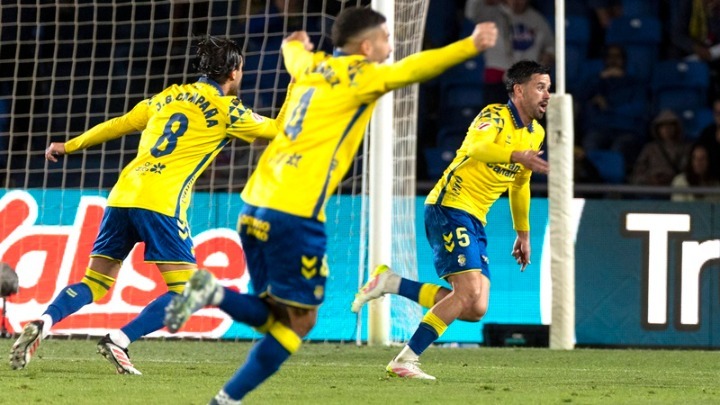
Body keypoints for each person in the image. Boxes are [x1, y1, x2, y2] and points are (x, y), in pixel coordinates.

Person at [163, 6, 498, 404]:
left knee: (275, 316)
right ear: (366, 46)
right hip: (295, 211)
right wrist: (470, 45)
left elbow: (292, 52)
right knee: (301, 321)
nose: (391, 48)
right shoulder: (363, 76)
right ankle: (212, 299)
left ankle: (223, 387)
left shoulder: (310, 66)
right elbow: (416, 68)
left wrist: (293, 43)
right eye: (386, 40)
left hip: (254, 202)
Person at [9, 36, 284, 375]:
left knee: (95, 282)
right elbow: (280, 130)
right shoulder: (228, 110)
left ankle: (45, 320)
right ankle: (119, 340)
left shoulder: (166, 97)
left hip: (123, 195)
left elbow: (118, 125)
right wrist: (298, 84)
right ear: (233, 72)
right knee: (187, 290)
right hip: (161, 202)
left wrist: (69, 146)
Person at [351, 60, 550, 379]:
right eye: (540, 87)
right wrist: (515, 155)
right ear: (519, 90)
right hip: (450, 205)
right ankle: (405, 359)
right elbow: (477, 147)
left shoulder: (535, 133)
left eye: (548, 88)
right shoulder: (494, 116)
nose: (547, 94)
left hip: (476, 217)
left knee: (475, 308)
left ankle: (390, 282)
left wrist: (522, 234)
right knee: (467, 292)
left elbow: (520, 184)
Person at [630, 110, 689, 191]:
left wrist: (672, 178)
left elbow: (689, 172)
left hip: (676, 188)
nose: (667, 129)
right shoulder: (649, 149)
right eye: (663, 126)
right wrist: (650, 179)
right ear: (658, 129)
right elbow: (638, 172)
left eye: (670, 126)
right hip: (651, 189)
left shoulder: (686, 148)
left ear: (677, 128)